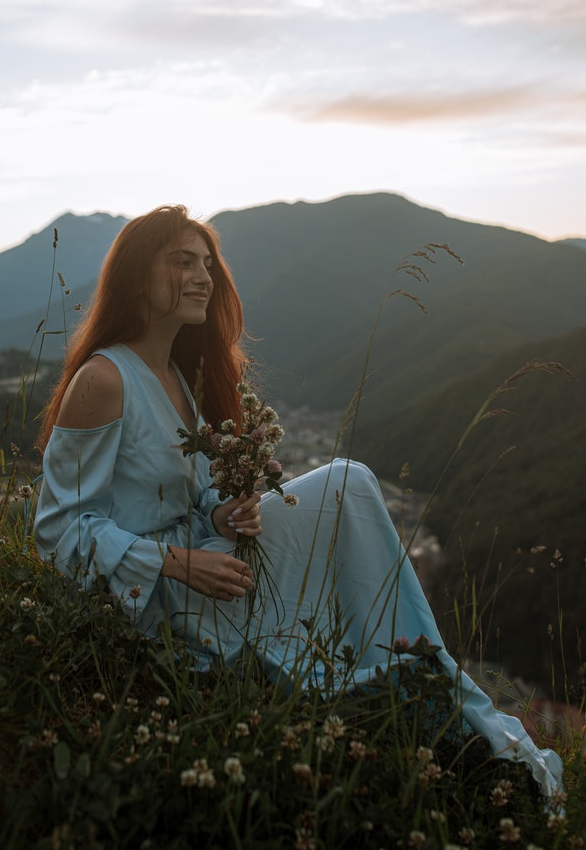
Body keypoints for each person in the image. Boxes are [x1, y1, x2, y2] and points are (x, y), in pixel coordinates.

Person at [34, 205, 562, 799]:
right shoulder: (104, 380)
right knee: (349, 483)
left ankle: (419, 669)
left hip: (203, 564)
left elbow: (185, 493)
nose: (204, 276)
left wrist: (220, 512)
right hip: (151, 598)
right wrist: (178, 562)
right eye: (182, 262)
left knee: (348, 485)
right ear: (135, 277)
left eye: (207, 263)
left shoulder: (179, 378)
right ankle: (413, 673)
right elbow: (58, 530)